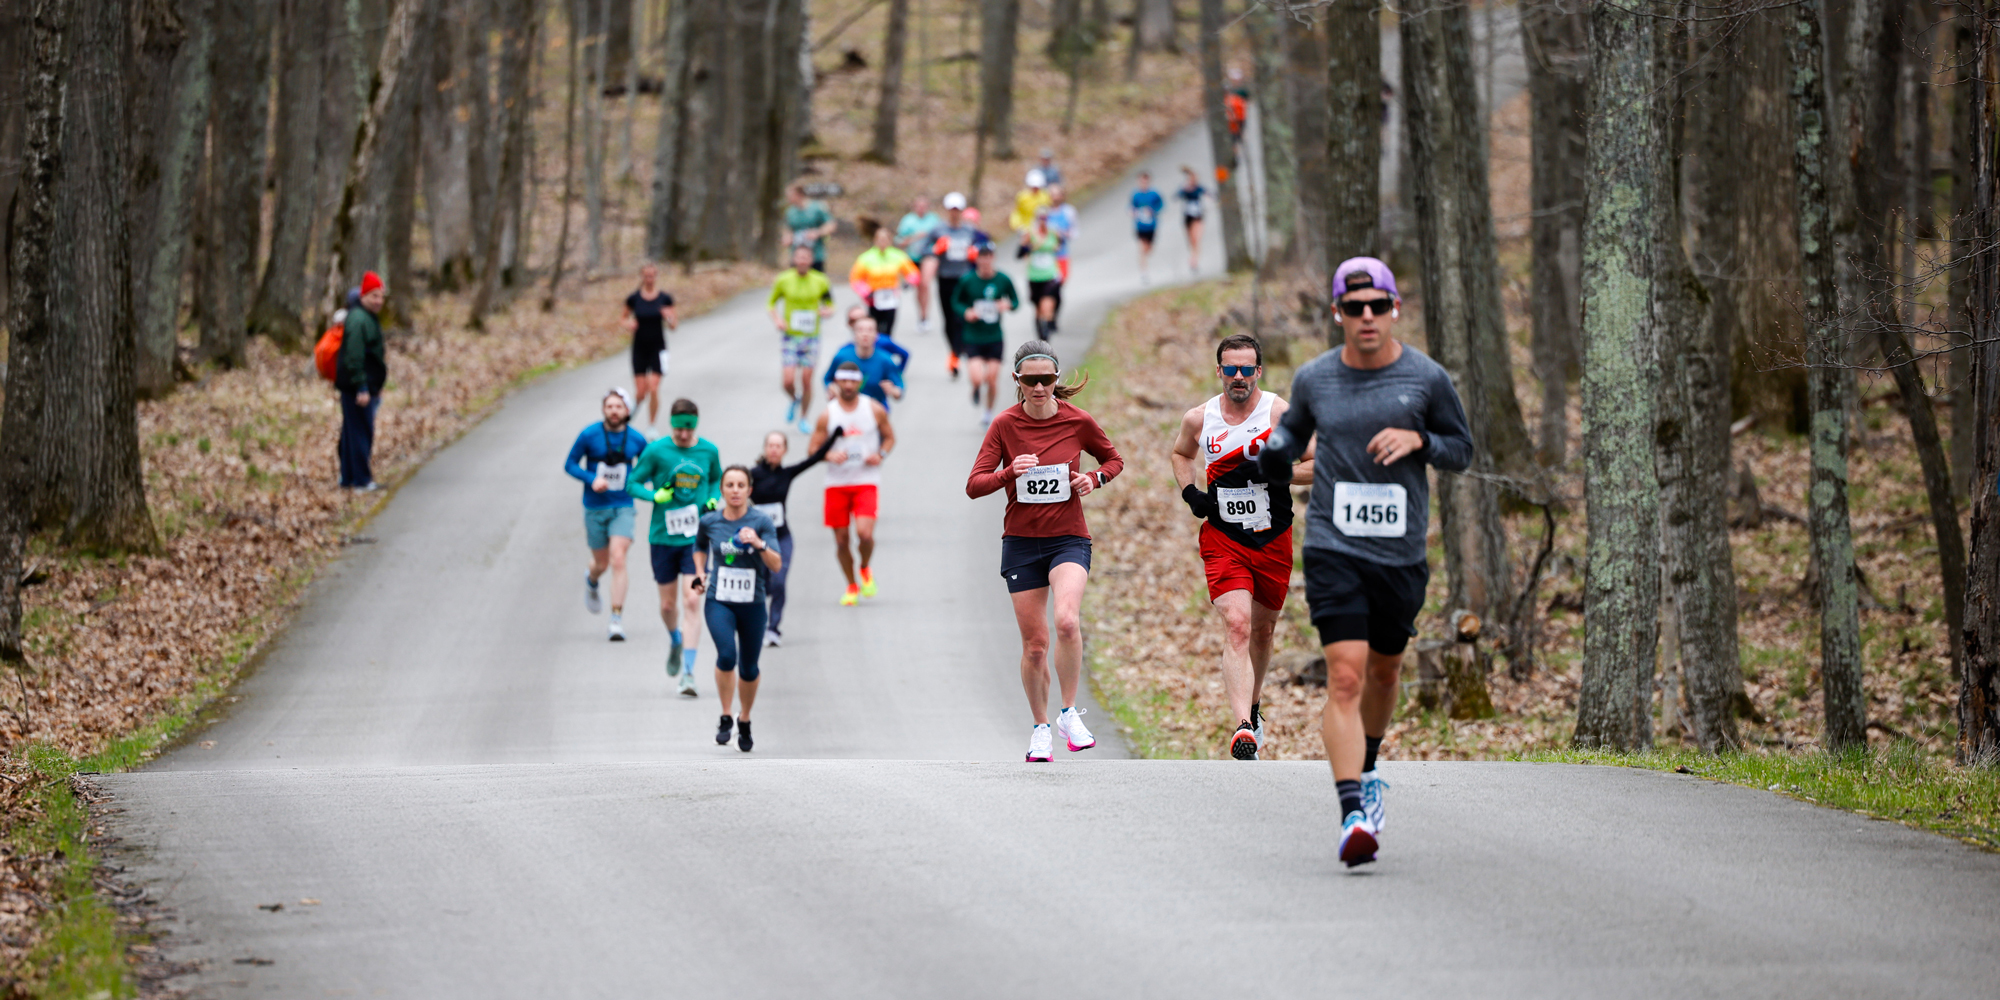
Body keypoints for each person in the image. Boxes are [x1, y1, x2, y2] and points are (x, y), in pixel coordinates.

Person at [1252, 257, 1473, 867]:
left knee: (1384, 673)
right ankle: (1352, 812)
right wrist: (1274, 454)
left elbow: (1462, 450)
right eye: (1355, 308)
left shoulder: (1426, 378)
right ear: (1338, 314)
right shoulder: (1316, 378)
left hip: (1400, 555)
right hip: (1334, 547)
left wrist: (1421, 440)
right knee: (1345, 676)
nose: (1367, 316)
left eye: (1378, 306)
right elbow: (1289, 436)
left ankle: (1369, 768)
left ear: (1395, 308)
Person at [964, 341, 1123, 762]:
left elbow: (1113, 460)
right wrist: (1007, 473)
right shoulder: (1004, 424)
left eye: (1047, 379)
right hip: (1021, 543)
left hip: (1068, 538)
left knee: (1067, 620)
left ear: (1056, 379)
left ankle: (1068, 713)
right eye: (1030, 380)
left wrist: (1094, 479)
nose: (1039, 388)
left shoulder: (1077, 420)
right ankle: (1040, 728)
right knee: (1035, 645)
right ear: (1017, 380)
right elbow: (974, 485)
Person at [1171, 335, 1314, 760]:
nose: (1239, 377)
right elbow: (1181, 454)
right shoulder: (1200, 418)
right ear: (1219, 371)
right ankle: (1242, 727)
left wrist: (1280, 472)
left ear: (1258, 371)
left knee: (1263, 631)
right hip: (1224, 538)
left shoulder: (1279, 413)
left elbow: (1318, 462)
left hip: (1272, 536)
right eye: (1230, 369)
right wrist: (1191, 493)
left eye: (1246, 369)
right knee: (1237, 623)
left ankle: (1253, 705)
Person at [628, 398, 726, 697]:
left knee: (693, 600)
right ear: (671, 425)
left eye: (689, 429)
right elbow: (632, 482)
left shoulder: (708, 451)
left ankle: (688, 674)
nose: (684, 435)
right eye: (679, 429)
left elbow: (716, 478)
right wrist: (653, 496)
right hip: (663, 538)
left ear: (696, 426)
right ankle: (675, 638)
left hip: (696, 540)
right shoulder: (656, 451)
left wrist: (712, 499)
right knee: (668, 606)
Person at [693, 466, 784, 752]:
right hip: (719, 600)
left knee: (749, 667)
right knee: (726, 655)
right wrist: (700, 573)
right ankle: (725, 716)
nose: (735, 490)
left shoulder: (761, 521)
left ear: (749, 490)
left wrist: (758, 543)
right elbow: (699, 546)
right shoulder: (710, 521)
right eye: (729, 485)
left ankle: (744, 719)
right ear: (721, 490)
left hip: (752, 604)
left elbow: (776, 564)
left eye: (740, 485)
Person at [565, 388, 650, 642]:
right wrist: (591, 479)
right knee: (601, 563)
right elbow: (570, 464)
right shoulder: (589, 435)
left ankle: (616, 619)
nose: (614, 411)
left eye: (618, 407)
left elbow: (649, 467)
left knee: (618, 558)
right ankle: (591, 579)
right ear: (604, 409)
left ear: (627, 410)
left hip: (623, 505)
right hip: (595, 507)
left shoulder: (636, 439)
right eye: (610, 406)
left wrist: (646, 484)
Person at [809, 363, 896, 606]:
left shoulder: (873, 408)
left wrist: (880, 454)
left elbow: (890, 437)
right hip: (836, 483)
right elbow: (813, 449)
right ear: (837, 382)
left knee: (864, 534)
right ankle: (851, 584)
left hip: (866, 480)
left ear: (860, 382)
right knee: (841, 541)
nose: (848, 386)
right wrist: (828, 455)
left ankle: (865, 567)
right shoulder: (828, 414)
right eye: (843, 381)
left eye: (853, 381)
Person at [749, 427, 841, 647]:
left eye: (778, 446)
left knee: (779, 582)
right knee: (761, 586)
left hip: (781, 538)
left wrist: (835, 435)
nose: (774, 450)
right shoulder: (752, 476)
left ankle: (773, 629)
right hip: (756, 541)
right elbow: (731, 488)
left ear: (785, 450)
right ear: (765, 448)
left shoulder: (787, 474)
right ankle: (754, 626)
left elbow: (815, 458)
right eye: (770, 445)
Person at [919, 192, 991, 379]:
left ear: (961, 211)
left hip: (965, 280)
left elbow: (986, 246)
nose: (954, 213)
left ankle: (959, 353)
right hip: (946, 279)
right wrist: (936, 249)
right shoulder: (938, 230)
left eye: (957, 210)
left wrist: (975, 253)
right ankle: (955, 351)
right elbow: (923, 249)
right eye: (951, 209)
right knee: (949, 320)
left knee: (963, 318)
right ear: (947, 210)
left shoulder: (969, 230)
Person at [950, 244, 1020, 425]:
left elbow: (1016, 301)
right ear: (977, 259)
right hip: (973, 336)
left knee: (991, 379)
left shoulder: (1003, 279)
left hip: (994, 337)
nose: (986, 260)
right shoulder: (967, 280)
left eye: (989, 256)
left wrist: (1007, 305)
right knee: (977, 378)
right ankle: (975, 387)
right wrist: (966, 312)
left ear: (993, 258)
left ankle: (988, 412)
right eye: (982, 256)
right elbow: (955, 302)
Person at [769, 244, 835, 435]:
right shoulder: (784, 279)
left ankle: (804, 418)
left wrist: (827, 311)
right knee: (788, 381)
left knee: (806, 379)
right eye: (799, 257)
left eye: (806, 257)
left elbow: (830, 304)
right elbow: (770, 303)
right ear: (794, 259)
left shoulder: (821, 280)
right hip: (790, 336)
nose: (802, 261)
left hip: (811, 337)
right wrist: (778, 320)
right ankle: (794, 398)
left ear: (811, 260)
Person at [336, 271, 388, 491]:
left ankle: (348, 478)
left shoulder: (364, 316)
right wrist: (362, 387)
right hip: (357, 388)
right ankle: (361, 480)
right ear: (363, 295)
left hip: (362, 386)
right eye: (374, 296)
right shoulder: (358, 319)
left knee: (352, 432)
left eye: (381, 296)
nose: (378, 301)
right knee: (360, 433)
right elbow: (354, 356)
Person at [621, 263, 679, 431]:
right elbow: (623, 318)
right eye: (646, 276)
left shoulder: (664, 299)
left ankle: (651, 426)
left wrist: (668, 317)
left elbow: (674, 325)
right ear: (642, 277)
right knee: (641, 392)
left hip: (658, 348)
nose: (649, 279)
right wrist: (629, 324)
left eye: (652, 276)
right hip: (639, 348)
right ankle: (632, 412)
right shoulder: (634, 299)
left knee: (653, 387)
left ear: (656, 276)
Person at [849, 219, 921, 339]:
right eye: (880, 239)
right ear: (875, 240)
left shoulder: (898, 255)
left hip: (891, 297)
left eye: (885, 239)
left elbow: (913, 272)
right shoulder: (866, 258)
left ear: (889, 240)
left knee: (888, 328)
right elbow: (856, 279)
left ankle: (886, 348)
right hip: (873, 298)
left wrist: (909, 282)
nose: (882, 242)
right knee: (874, 328)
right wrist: (866, 292)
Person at [823, 315, 905, 410]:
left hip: (876, 410)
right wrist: (831, 388)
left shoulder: (885, 360)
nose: (865, 334)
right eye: (860, 330)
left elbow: (899, 387)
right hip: (847, 409)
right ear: (854, 335)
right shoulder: (841, 356)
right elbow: (827, 379)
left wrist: (893, 391)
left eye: (870, 330)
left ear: (876, 335)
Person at [894, 196, 942, 327]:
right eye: (919, 206)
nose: (921, 208)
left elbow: (942, 238)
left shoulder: (934, 220)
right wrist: (915, 237)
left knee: (924, 284)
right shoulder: (907, 221)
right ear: (914, 207)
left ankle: (925, 316)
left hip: (929, 255)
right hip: (913, 257)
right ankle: (922, 315)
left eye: (924, 206)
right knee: (919, 288)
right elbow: (899, 241)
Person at [1018, 209, 1065, 339]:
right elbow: (1019, 254)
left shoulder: (1053, 233)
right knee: (1038, 308)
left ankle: (1047, 331)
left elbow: (1061, 245)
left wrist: (1059, 239)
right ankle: (1041, 336)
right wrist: (1026, 245)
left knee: (1047, 305)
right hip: (1034, 276)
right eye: (1040, 219)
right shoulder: (1030, 234)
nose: (1042, 221)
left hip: (1050, 275)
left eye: (1045, 218)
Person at [781, 181, 836, 272]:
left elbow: (831, 225)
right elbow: (788, 229)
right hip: (796, 256)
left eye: (790, 196)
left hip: (816, 255)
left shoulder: (817, 208)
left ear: (799, 194)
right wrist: (787, 237)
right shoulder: (790, 212)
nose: (788, 198)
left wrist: (817, 232)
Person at [1130, 171, 1165, 284]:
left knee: (1149, 249)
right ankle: (1144, 273)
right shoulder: (1135, 195)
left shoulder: (1154, 194)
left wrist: (1153, 211)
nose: (1143, 183)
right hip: (1140, 227)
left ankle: (1144, 266)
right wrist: (1133, 212)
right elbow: (1131, 207)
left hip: (1151, 226)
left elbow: (1161, 205)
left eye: (1145, 181)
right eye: (1141, 181)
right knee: (1141, 249)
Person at [1176, 166, 1208, 275]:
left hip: (1198, 217)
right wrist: (1183, 189)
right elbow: (1176, 196)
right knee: (1192, 242)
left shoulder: (1199, 188)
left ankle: (1193, 262)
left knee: (1196, 239)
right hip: (1188, 217)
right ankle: (1193, 260)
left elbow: (1209, 193)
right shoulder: (1185, 188)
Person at [1045, 184, 1078, 284]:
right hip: (1047, 255)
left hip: (1062, 253)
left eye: (1057, 195)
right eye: (1052, 195)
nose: (1055, 198)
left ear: (1062, 196)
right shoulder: (1044, 212)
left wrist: (1063, 234)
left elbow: (1074, 232)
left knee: (1062, 279)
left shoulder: (1069, 211)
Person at [1008, 169, 1052, 234]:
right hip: (1026, 229)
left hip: (1041, 230)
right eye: (1033, 187)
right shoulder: (1022, 197)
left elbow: (1049, 211)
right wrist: (1017, 226)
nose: (1035, 188)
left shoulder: (1045, 196)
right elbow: (1017, 212)